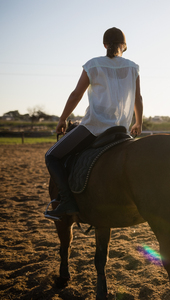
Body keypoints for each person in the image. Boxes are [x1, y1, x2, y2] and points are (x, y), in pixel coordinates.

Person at [45, 27, 143, 217]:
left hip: (94, 127)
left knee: (51, 156)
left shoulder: (93, 65)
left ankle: (66, 201)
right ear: (124, 46)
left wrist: (62, 119)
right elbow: (138, 98)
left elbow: (76, 95)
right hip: (122, 130)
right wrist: (138, 123)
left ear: (105, 45)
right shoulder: (133, 67)